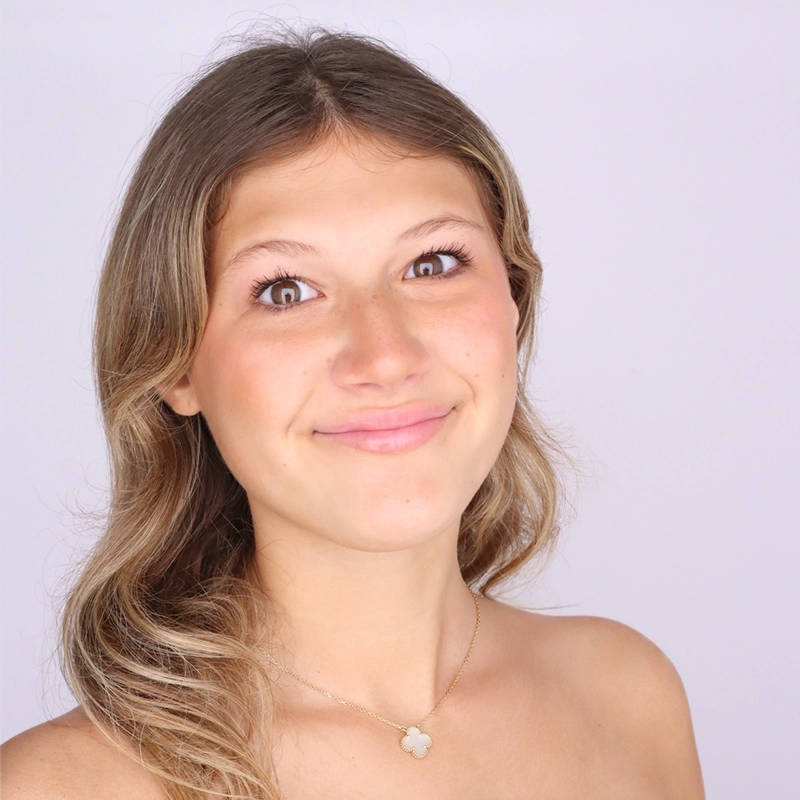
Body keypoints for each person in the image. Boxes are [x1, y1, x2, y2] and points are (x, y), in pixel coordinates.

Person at [0, 29, 704, 799]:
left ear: (512, 302)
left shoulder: (629, 697)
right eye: (285, 290)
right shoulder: (59, 786)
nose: (384, 355)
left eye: (432, 263)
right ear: (175, 366)